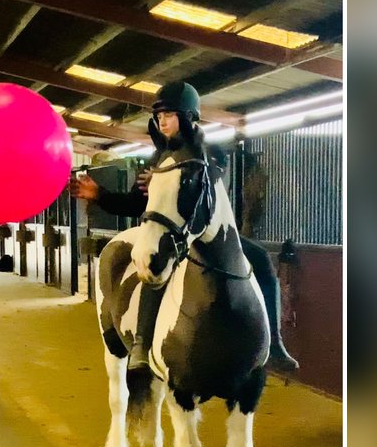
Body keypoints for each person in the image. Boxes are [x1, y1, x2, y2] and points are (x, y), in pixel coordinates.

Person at [69, 81, 299, 373]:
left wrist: (170, 180)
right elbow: (134, 204)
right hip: (174, 234)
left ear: (188, 116)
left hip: (212, 233)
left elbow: (213, 186)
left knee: (262, 260)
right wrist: (99, 195)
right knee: (153, 270)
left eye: (169, 114)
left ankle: (275, 343)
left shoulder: (212, 152)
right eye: (159, 116)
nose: (162, 121)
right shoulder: (157, 157)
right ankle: (141, 345)